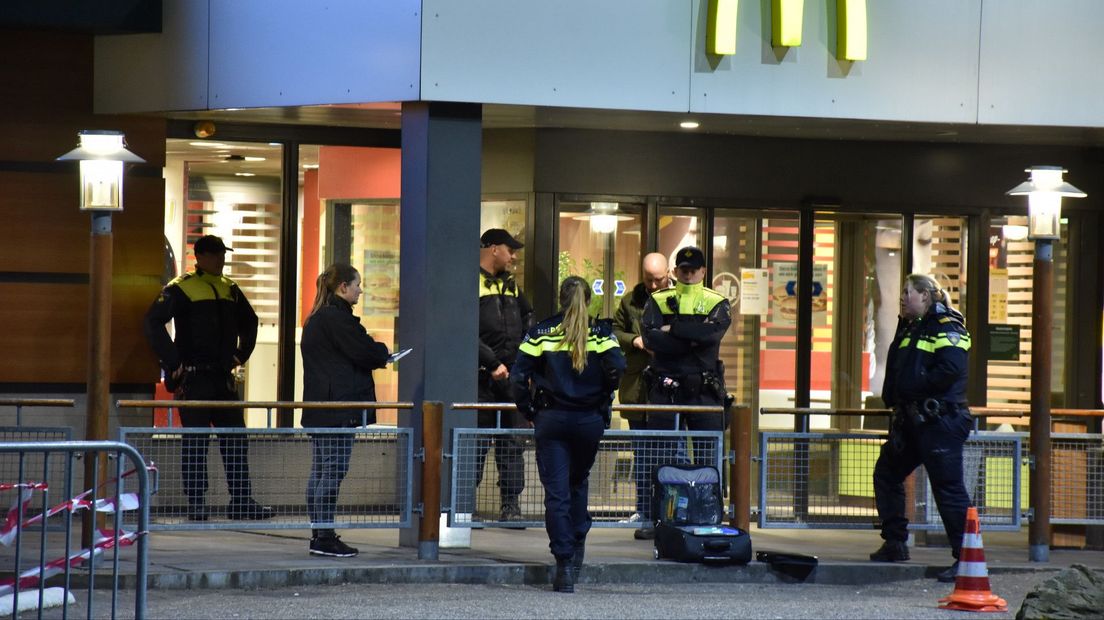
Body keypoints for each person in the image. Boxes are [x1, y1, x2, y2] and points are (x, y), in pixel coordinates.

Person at [143, 234, 274, 521]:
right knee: (196, 443)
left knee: (236, 440)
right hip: (194, 377)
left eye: (223, 254)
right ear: (199, 256)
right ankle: (197, 504)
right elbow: (153, 322)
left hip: (222, 379)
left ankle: (241, 501)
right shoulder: (181, 288)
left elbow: (250, 323)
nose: (221, 259)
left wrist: (241, 356)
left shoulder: (230, 288)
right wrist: (173, 361)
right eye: (215, 254)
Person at [511, 276, 627, 593]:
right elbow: (619, 367)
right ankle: (576, 552)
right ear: (587, 300)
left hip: (551, 419)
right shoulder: (602, 333)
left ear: (560, 300)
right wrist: (603, 398)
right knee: (577, 485)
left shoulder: (540, 332)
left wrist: (529, 410)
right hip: (588, 421)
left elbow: (518, 377)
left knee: (557, 494)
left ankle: (564, 564)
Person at [869, 273, 973, 584]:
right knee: (886, 473)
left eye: (907, 292)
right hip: (914, 422)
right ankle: (895, 543)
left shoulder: (947, 325)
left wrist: (915, 389)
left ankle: (967, 558)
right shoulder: (912, 327)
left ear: (925, 296)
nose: (902, 297)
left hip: (939, 421)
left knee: (949, 490)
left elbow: (950, 368)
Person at [640, 246, 731, 536]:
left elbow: (713, 334)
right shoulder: (658, 300)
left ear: (704, 272)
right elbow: (651, 338)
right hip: (666, 388)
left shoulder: (717, 301)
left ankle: (708, 517)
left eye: (694, 270)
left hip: (703, 389)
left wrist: (674, 329)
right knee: (660, 455)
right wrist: (693, 336)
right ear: (675, 271)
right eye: (684, 269)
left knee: (708, 456)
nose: (688, 274)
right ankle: (658, 519)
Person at [301, 263, 391, 558]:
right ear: (342, 287)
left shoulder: (317, 319)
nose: (360, 290)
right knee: (333, 470)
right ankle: (324, 536)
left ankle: (321, 533)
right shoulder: (337, 319)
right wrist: (382, 353)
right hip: (338, 409)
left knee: (321, 470)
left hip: (322, 407)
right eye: (356, 285)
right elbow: (364, 351)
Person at [476, 228, 534, 522]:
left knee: (513, 444)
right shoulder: (471, 282)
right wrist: (491, 363)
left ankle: (510, 505)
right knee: (474, 444)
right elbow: (465, 330)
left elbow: (528, 321)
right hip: (481, 379)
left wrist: (525, 361)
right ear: (494, 249)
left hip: (511, 377)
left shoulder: (511, 285)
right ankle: (464, 506)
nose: (513, 257)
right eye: (510, 250)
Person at [612, 252, 670, 538]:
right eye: (649, 280)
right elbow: (614, 331)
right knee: (642, 451)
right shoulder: (631, 300)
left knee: (668, 452)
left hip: (667, 390)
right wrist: (635, 340)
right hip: (637, 387)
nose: (654, 285)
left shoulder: (678, 298)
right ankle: (644, 510)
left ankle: (666, 512)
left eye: (659, 279)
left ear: (668, 272)